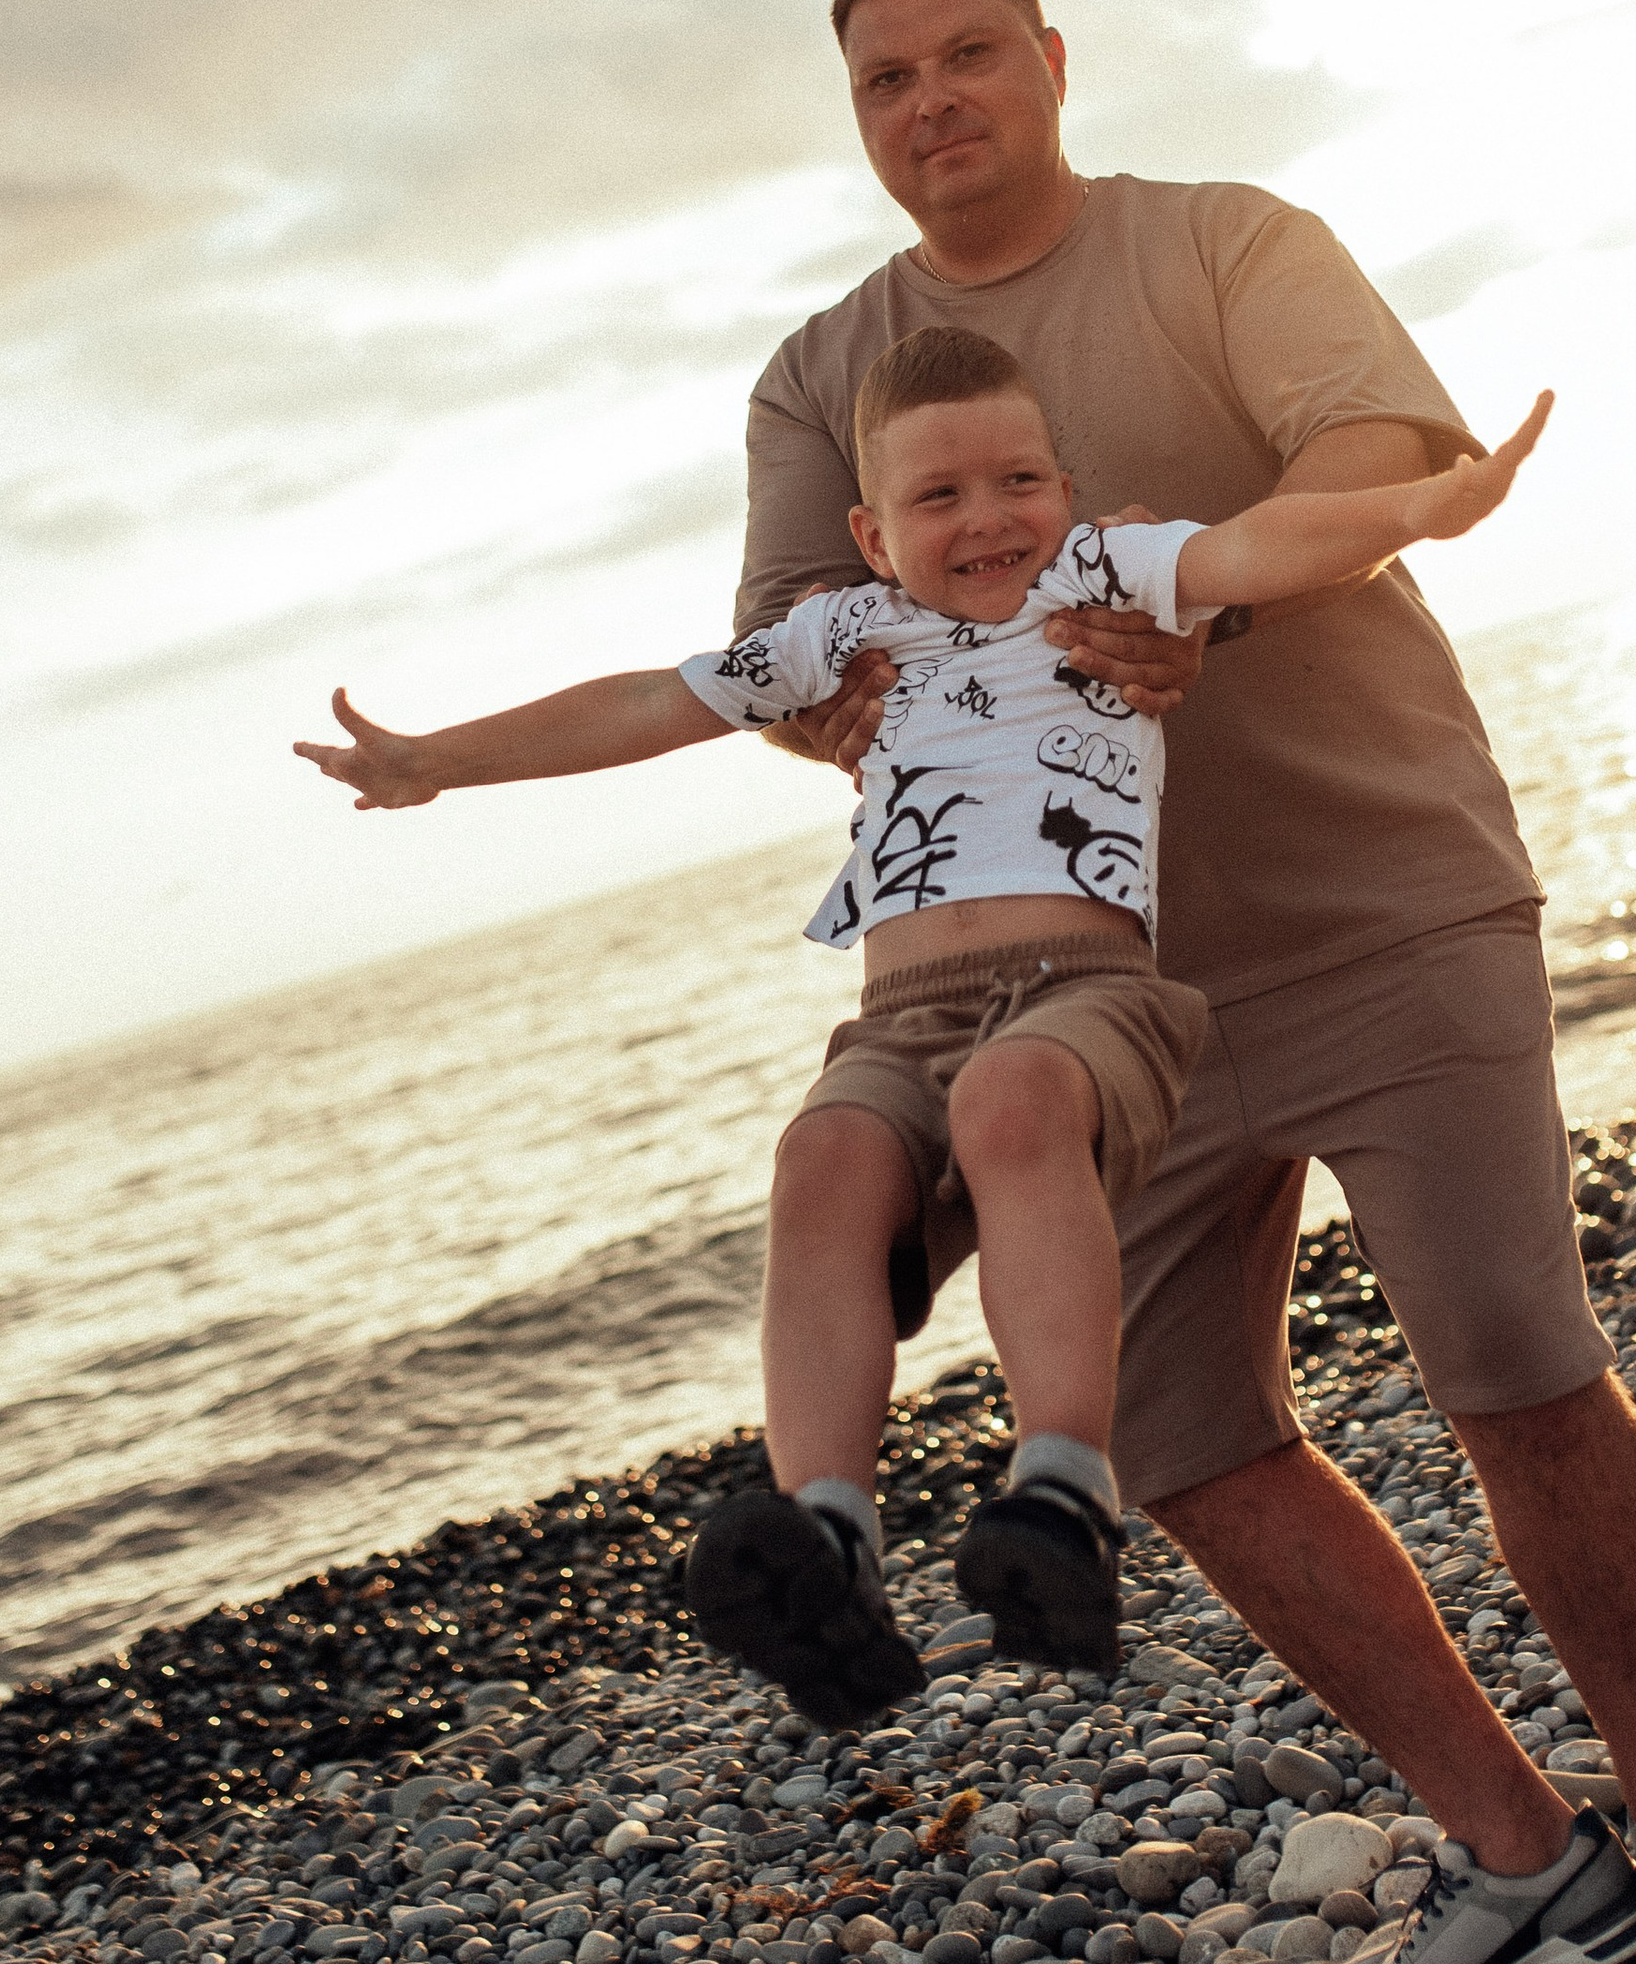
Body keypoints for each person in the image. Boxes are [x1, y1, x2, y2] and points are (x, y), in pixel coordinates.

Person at [730, 0, 1636, 1964]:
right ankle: (1524, 1861)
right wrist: (869, 670)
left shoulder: (1228, 242)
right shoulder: (822, 370)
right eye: (886, 78)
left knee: (1512, 1356)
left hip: (1380, 892)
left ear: (1050, 60)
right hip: (1089, 999)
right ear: (858, 113)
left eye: (967, 56)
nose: (931, 103)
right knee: (1174, 1439)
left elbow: (1371, 470)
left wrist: (1186, 598)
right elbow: (802, 637)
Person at [292, 322, 1549, 1739]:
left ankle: (1063, 1490)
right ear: (870, 534)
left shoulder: (1102, 573)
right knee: (822, 1162)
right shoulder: (842, 637)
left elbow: (1264, 551)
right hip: (898, 1013)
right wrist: (434, 763)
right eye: (938, 498)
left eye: (1019, 478)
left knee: (1010, 1107)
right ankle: (827, 1534)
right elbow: (651, 700)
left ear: (1064, 489)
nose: (988, 518)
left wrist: (1426, 509)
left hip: (1083, 994)